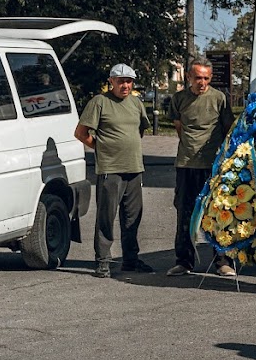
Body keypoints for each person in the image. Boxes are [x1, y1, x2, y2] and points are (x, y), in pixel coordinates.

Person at [75, 63, 151, 279]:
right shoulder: (99, 102)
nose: (125, 85)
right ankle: (103, 261)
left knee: (132, 217)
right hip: (110, 169)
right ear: (111, 82)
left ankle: (130, 260)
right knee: (106, 217)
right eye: (120, 81)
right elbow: (81, 133)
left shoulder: (136, 103)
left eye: (129, 81)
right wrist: (101, 147)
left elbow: (140, 131)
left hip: (135, 167)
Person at [167, 58, 235, 277]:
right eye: (197, 78)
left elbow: (228, 131)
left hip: (213, 167)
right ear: (189, 77)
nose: (202, 82)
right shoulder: (179, 99)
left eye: (206, 78)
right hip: (187, 165)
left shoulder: (219, 99)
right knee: (185, 214)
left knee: (219, 214)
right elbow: (179, 128)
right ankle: (184, 262)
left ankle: (223, 262)